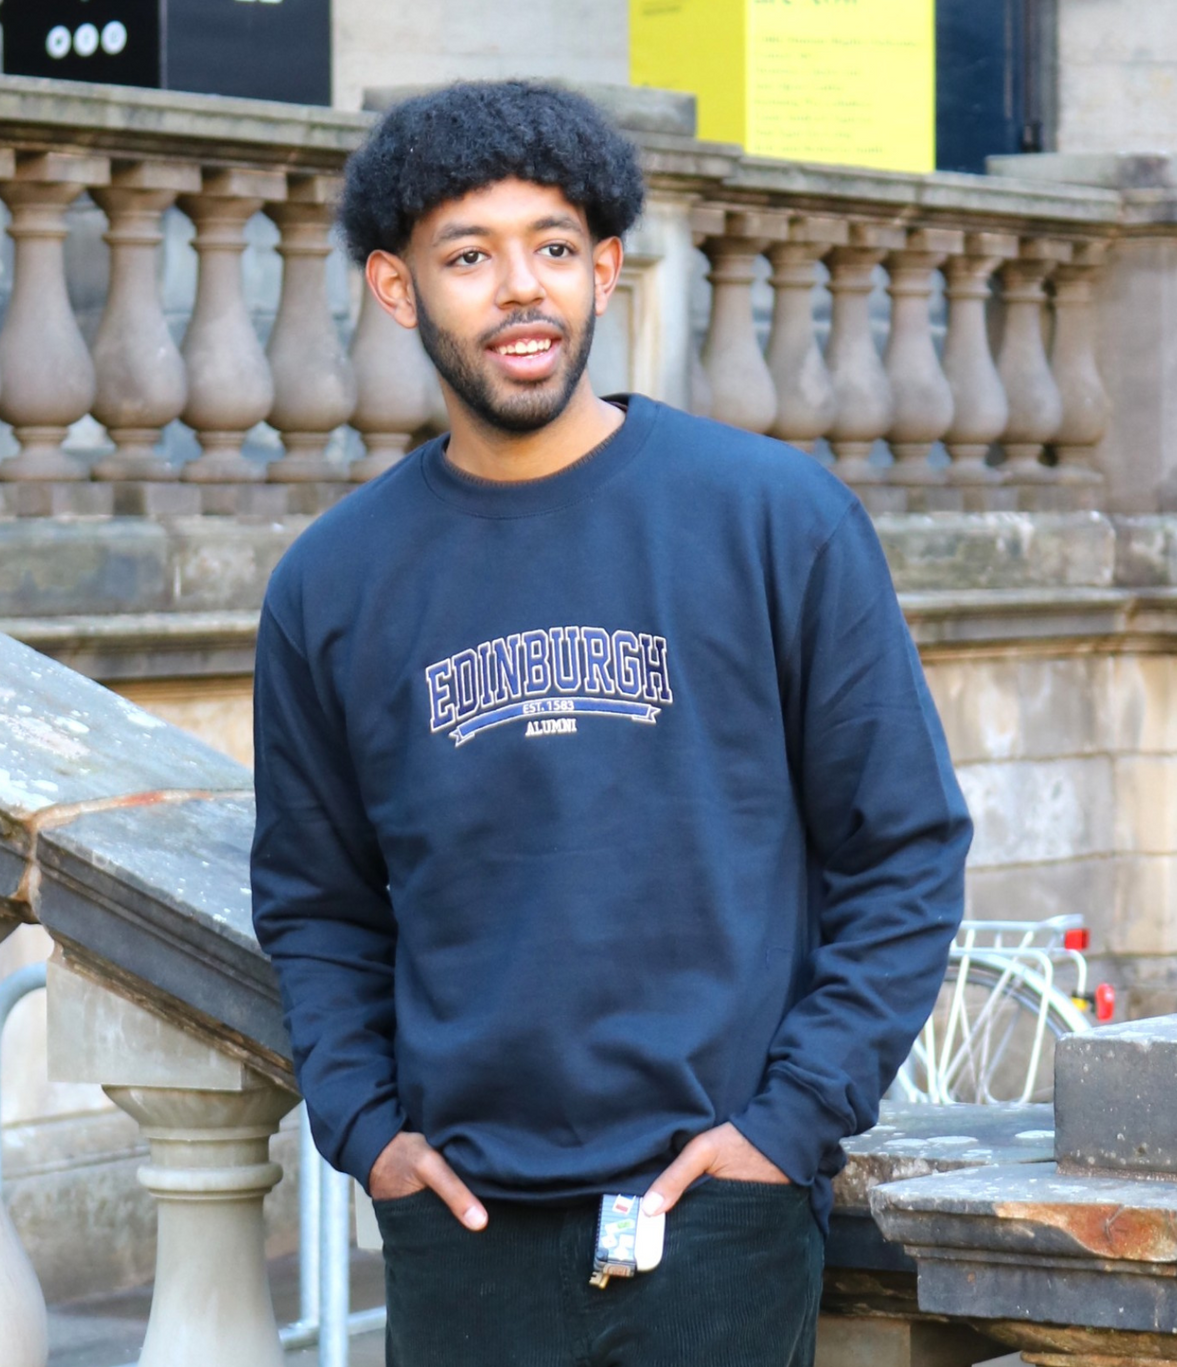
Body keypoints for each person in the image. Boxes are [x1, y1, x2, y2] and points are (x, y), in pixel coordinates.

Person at [250, 80, 971, 1367]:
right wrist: (366, 1131)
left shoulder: (772, 519)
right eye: (469, 255)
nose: (521, 287)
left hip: (718, 1217)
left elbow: (903, 845)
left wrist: (787, 1126)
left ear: (608, 271)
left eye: (554, 246)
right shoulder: (333, 583)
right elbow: (316, 900)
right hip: (461, 1226)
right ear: (397, 288)